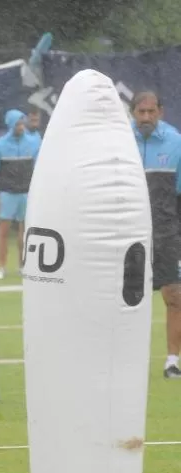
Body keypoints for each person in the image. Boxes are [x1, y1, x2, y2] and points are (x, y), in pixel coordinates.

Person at [130, 91, 181, 379]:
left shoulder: (176, 142)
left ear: (160, 111)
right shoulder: (120, 142)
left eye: (151, 111)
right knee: (125, 299)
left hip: (166, 233)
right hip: (127, 234)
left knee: (174, 296)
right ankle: (124, 362)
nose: (146, 117)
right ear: (133, 113)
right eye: (141, 112)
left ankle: (171, 362)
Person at [0, 109, 40, 279]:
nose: (21, 126)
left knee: (24, 232)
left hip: (26, 193)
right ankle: (1, 267)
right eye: (18, 124)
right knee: (3, 232)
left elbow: (38, 169)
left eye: (22, 123)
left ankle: (23, 266)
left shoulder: (33, 143)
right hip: (7, 193)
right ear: (10, 125)